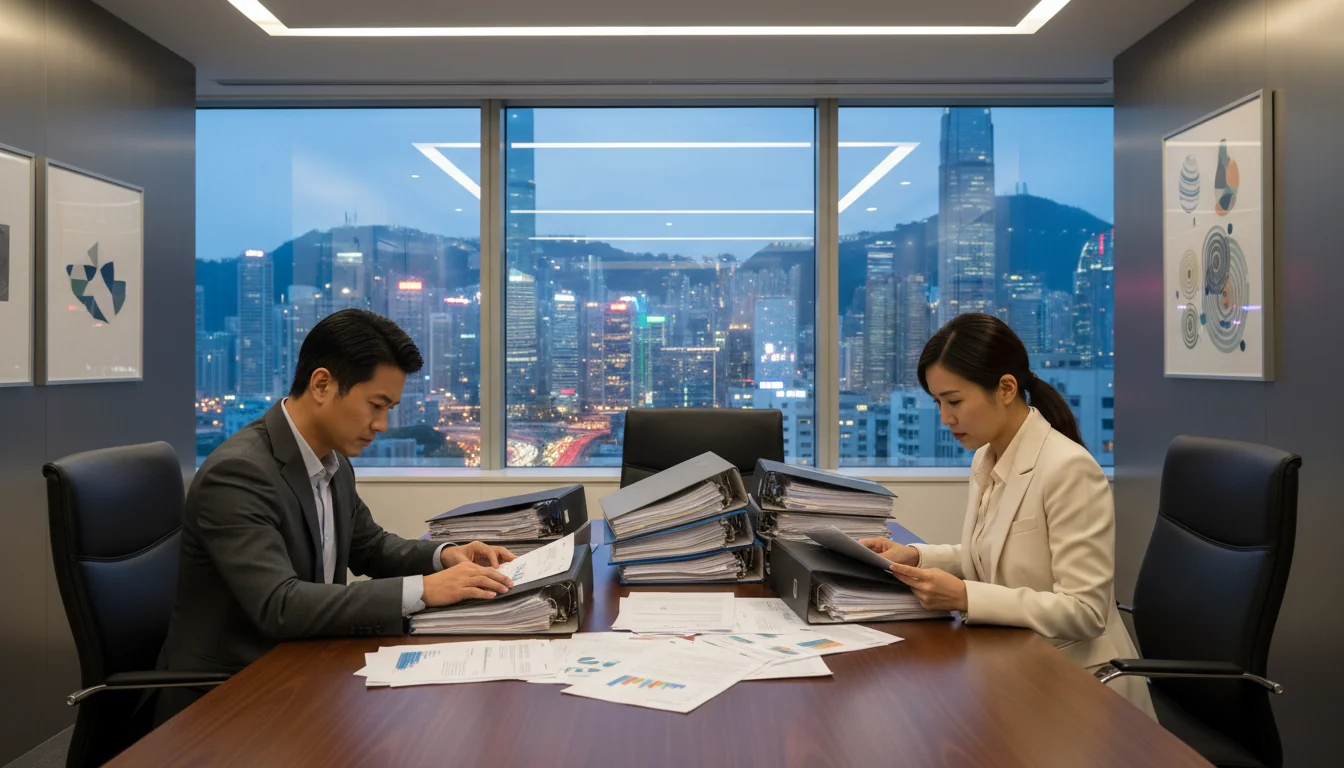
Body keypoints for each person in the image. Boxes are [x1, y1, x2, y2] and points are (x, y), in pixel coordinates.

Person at [154, 309, 515, 723]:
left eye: (390, 408)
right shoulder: (239, 473)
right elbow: (280, 604)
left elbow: (370, 547)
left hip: (304, 667)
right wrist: (426, 589)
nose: (382, 424)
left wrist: (445, 556)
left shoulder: (333, 462)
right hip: (228, 697)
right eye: (376, 405)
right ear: (322, 384)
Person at [861, 313, 1154, 718]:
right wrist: (916, 556)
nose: (946, 418)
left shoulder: (1068, 469)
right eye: (939, 403)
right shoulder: (987, 455)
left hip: (1081, 687)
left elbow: (1084, 612)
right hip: (1016, 667)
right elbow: (992, 554)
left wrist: (965, 596)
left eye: (955, 401)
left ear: (1006, 388)